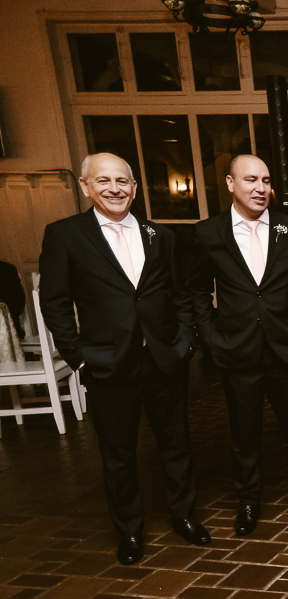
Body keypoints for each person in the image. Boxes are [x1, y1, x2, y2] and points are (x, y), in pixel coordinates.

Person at [39, 152, 208, 564]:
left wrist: (184, 342)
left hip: (163, 360)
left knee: (177, 445)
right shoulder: (65, 235)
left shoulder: (160, 236)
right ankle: (130, 531)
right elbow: (55, 302)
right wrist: (78, 357)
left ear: (134, 188)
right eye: (103, 181)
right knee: (118, 455)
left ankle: (184, 516)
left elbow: (180, 294)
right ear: (85, 186)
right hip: (107, 363)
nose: (114, 189)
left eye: (122, 181)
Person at [190, 154, 288, 536]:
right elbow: (196, 291)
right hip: (238, 352)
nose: (260, 188)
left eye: (265, 180)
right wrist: (212, 338)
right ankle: (248, 501)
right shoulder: (208, 233)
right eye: (251, 180)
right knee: (244, 436)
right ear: (231, 184)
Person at [0, 260, 26, 339]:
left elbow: (18, 303)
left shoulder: (7, 269)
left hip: (9, 333)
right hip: (11, 331)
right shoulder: (8, 268)